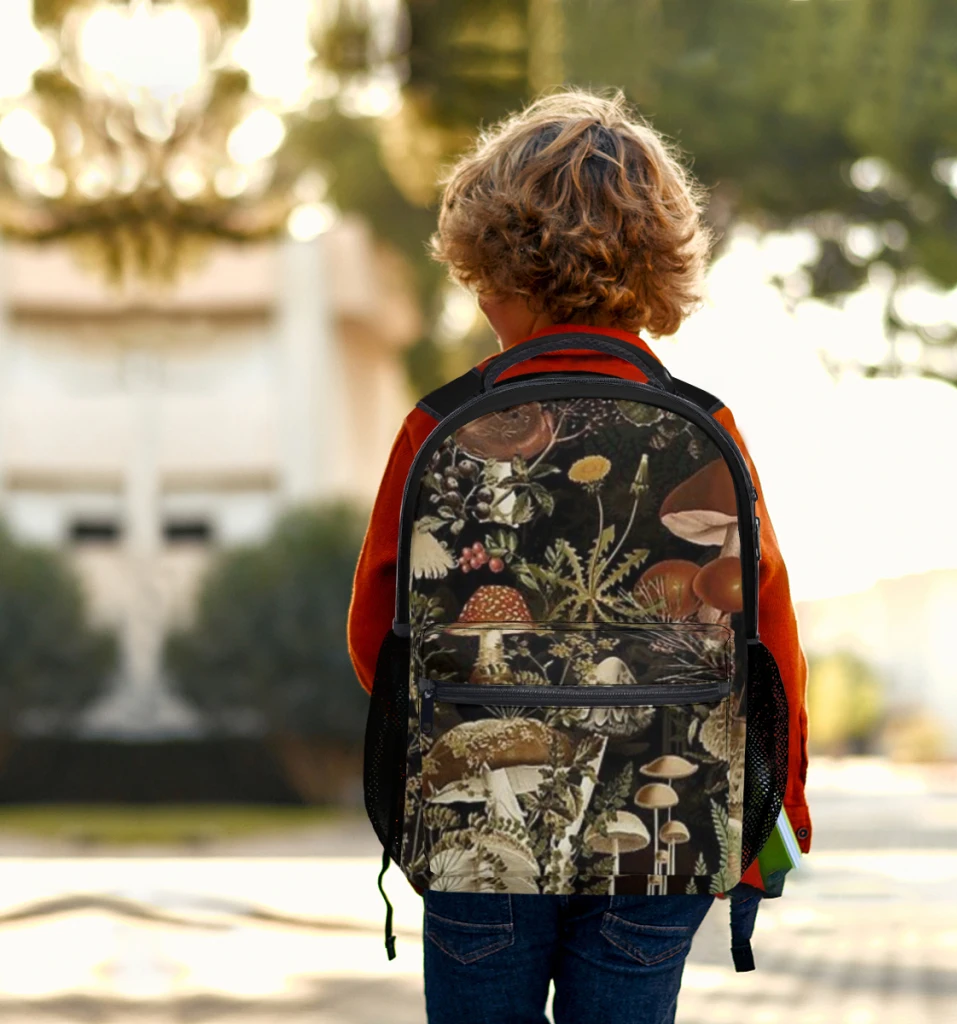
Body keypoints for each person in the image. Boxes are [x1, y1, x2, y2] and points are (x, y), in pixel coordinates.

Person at [348, 89, 811, 1024]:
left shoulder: (438, 427)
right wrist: (777, 811)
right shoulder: (707, 428)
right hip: (664, 833)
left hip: (482, 831)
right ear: (658, 271)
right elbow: (769, 642)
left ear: (493, 271)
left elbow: (375, 636)